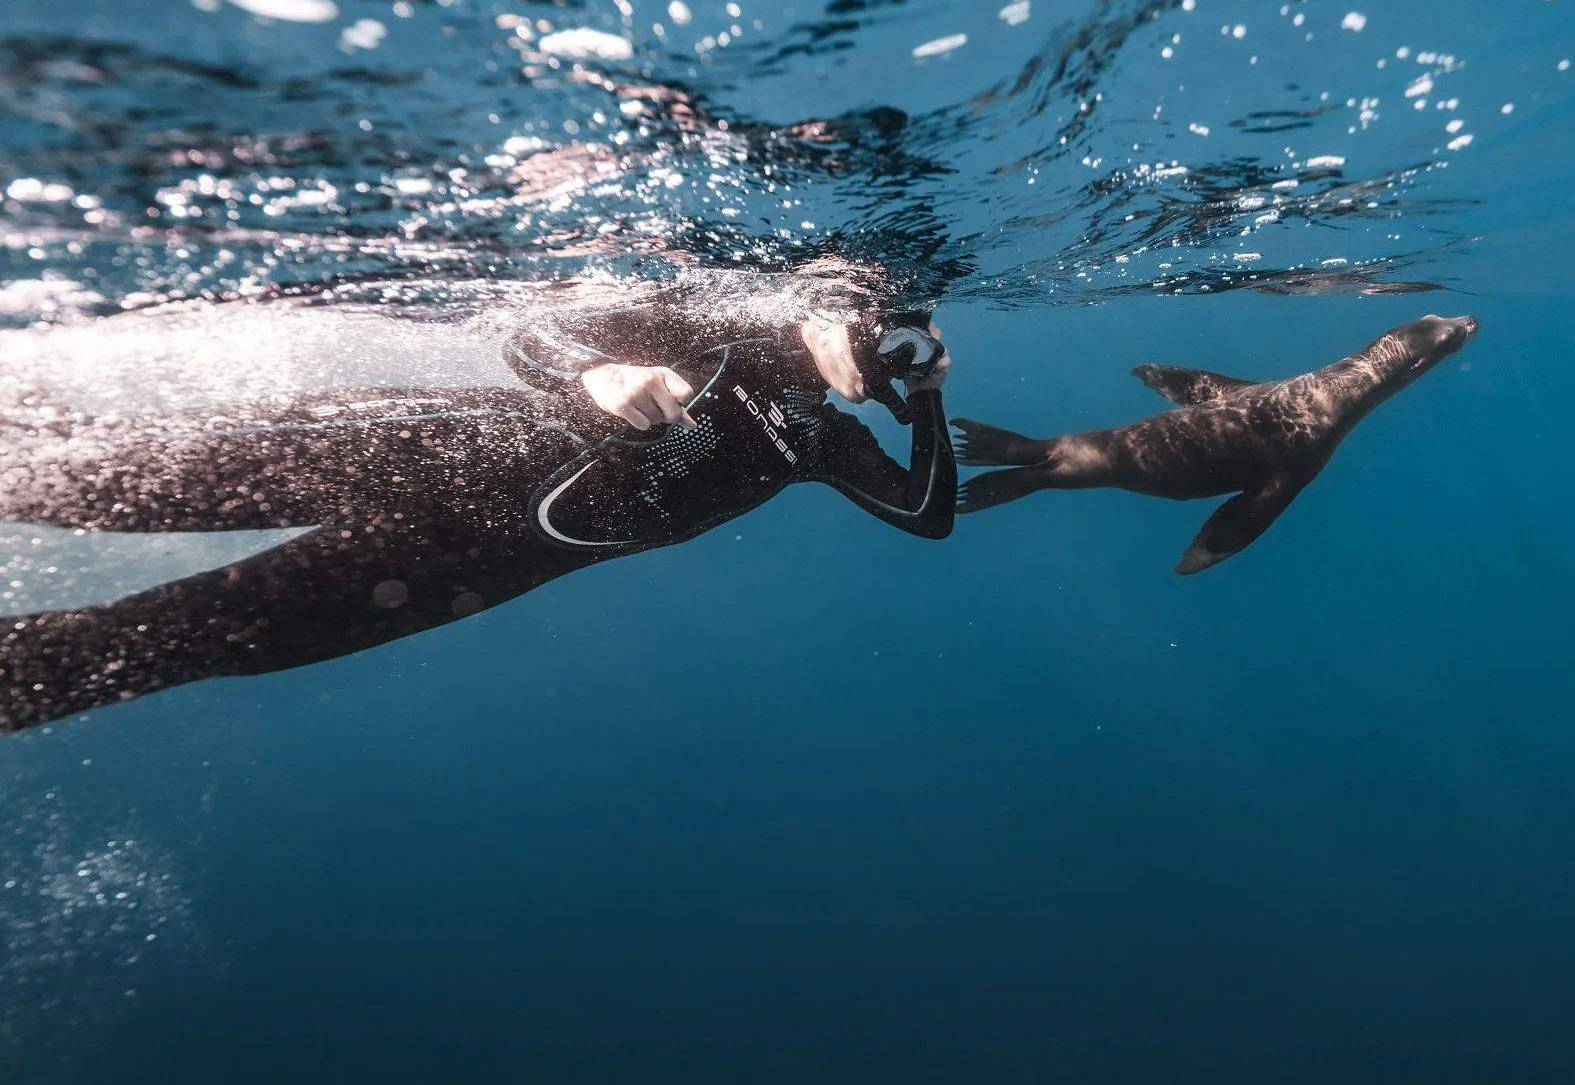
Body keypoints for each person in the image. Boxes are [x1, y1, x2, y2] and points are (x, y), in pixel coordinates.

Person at [0, 272, 954, 731]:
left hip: (468, 568)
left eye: (909, 342)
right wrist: (596, 372)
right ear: (835, 298)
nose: (888, 351)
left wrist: (929, 402)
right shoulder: (723, 319)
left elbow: (925, 511)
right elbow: (530, 328)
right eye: (885, 326)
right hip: (429, 450)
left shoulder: (822, 438)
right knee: (98, 480)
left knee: (169, 646)